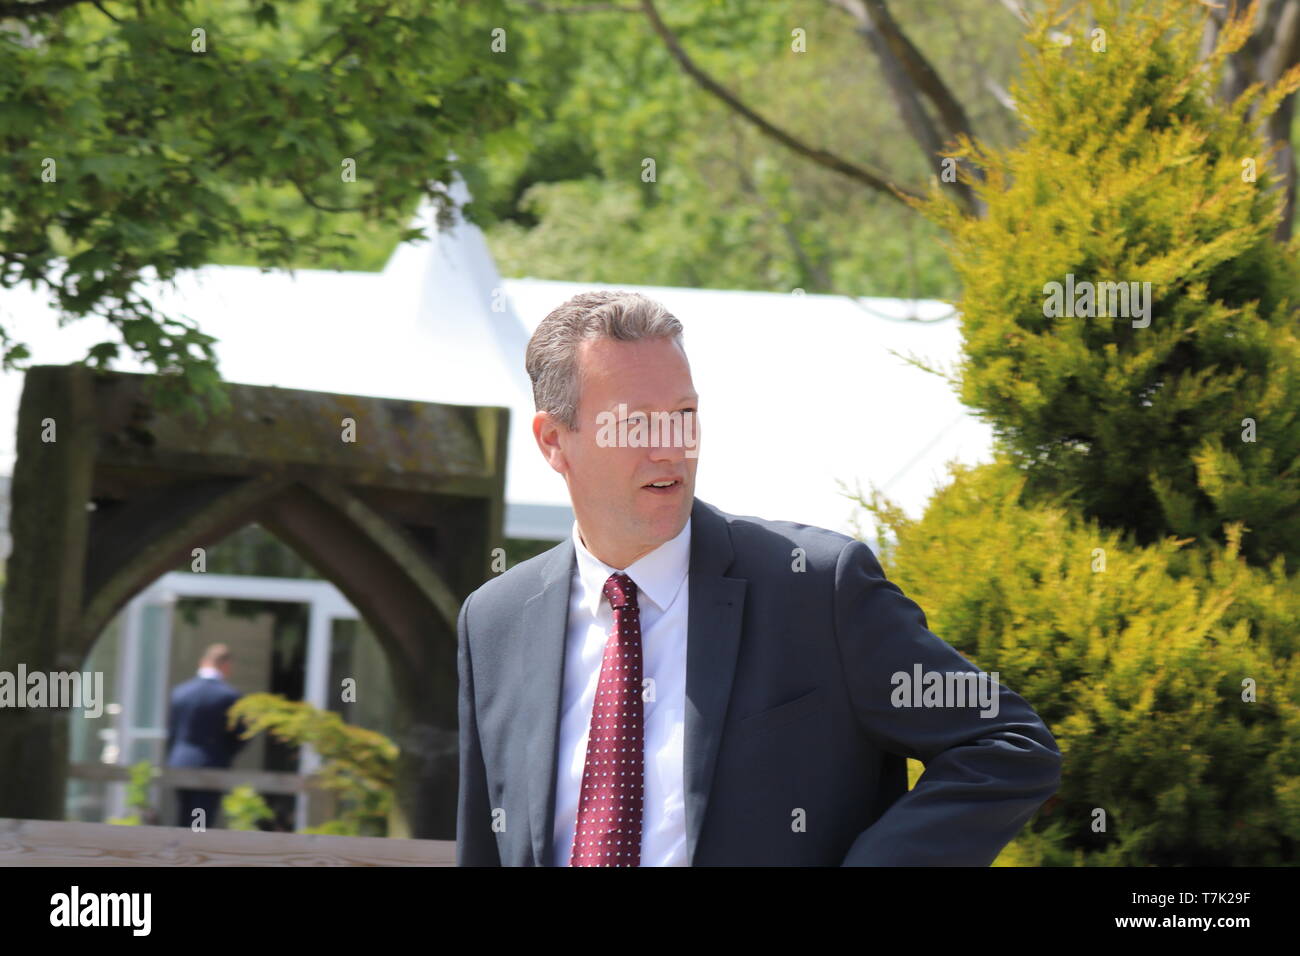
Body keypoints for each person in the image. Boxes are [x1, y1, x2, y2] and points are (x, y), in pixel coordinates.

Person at [456, 290, 1062, 866]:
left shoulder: (818, 589)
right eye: (635, 424)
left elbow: (1006, 743)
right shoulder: (494, 622)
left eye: (684, 415)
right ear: (554, 441)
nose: (671, 448)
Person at [165, 643, 248, 829]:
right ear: (226, 665)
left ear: (202, 662)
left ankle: (182, 849)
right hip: (210, 764)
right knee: (201, 817)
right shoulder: (229, 696)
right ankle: (194, 849)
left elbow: (172, 731)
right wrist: (225, 753)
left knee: (185, 814)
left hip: (180, 762)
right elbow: (241, 735)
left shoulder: (180, 692)